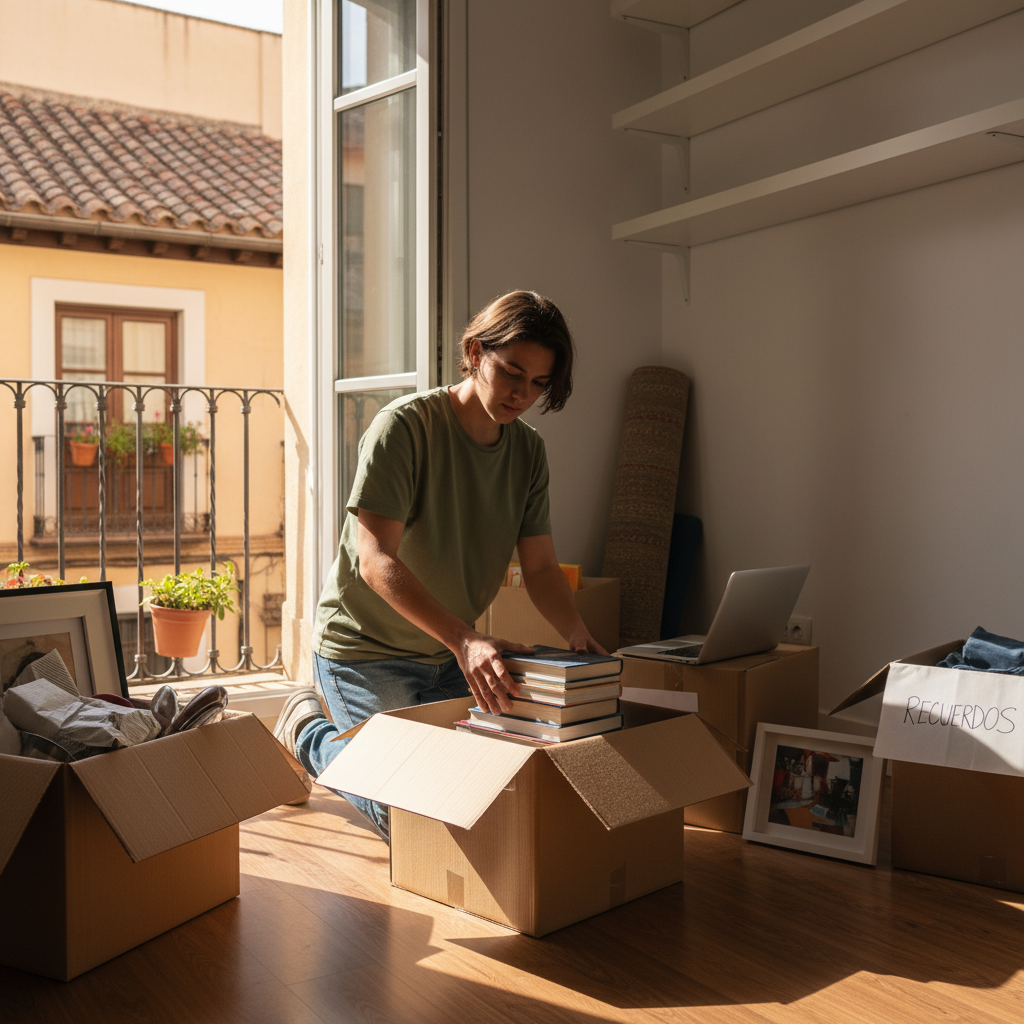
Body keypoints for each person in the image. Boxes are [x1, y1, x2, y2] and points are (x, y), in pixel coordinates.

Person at [274, 290, 606, 841]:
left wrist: (575, 633)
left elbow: (543, 568)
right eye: (511, 373)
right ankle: (307, 731)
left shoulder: (528, 454)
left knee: (486, 798)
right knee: (409, 816)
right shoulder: (402, 428)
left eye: (539, 384)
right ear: (475, 352)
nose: (522, 394)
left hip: (452, 653)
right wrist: (467, 640)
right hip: (365, 653)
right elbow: (375, 560)